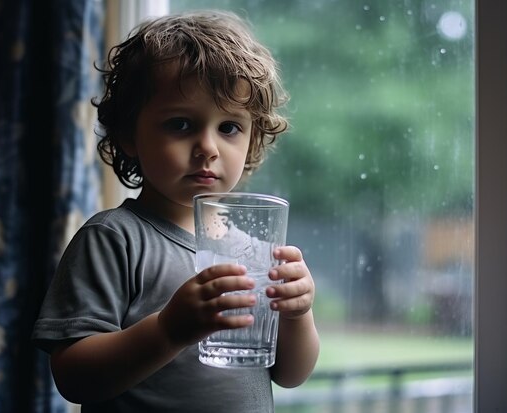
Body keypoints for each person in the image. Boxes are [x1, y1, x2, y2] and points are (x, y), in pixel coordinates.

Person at [32, 10, 319, 413]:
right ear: (128, 135)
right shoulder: (114, 239)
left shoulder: (253, 254)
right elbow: (74, 377)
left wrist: (297, 314)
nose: (209, 148)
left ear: (253, 139)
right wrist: (168, 330)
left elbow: (291, 374)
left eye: (229, 127)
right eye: (182, 124)